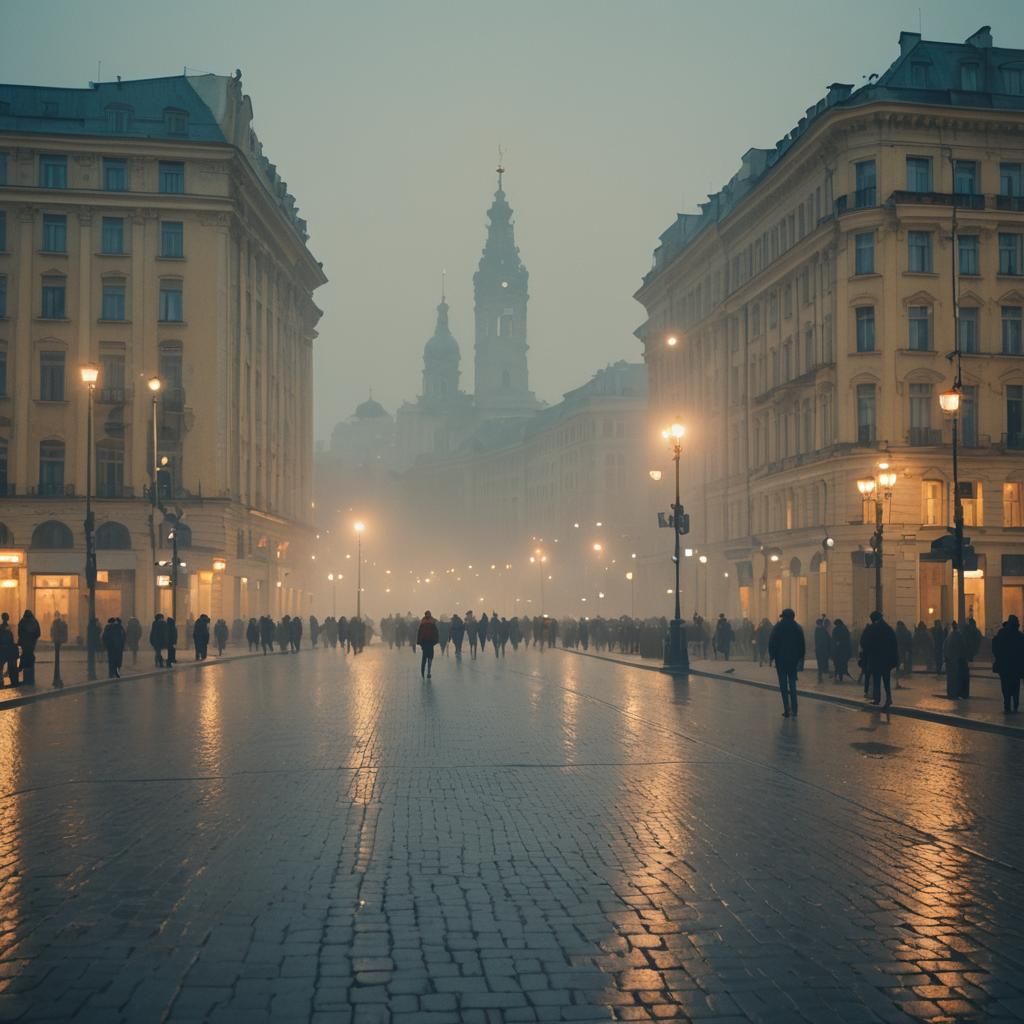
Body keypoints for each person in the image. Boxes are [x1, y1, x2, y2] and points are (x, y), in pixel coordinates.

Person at [768, 608, 805, 718]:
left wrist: (772, 656)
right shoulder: (798, 628)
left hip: (781, 660)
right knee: (792, 684)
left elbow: (772, 643)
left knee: (783, 685)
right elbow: (801, 646)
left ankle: (786, 709)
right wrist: (800, 659)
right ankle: (795, 709)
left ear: (783, 617)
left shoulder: (778, 627)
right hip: (793, 660)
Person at [860, 611, 899, 708]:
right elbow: (894, 644)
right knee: (886, 680)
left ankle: (877, 698)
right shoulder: (888, 629)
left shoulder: (871, 629)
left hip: (875, 658)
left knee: (877, 679)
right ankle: (888, 698)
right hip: (887, 659)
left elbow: (864, 642)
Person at [992, 615, 1024, 713]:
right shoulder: (1019, 635)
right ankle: (1015, 703)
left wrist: (998, 657)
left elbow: (995, 647)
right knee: (1015, 685)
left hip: (1004, 665)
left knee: (1005, 685)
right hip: (1016, 666)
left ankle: (1007, 704)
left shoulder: (1001, 634)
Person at [943, 622, 969, 699]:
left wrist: (946, 658)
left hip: (950, 661)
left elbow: (945, 648)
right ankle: (958, 693)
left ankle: (951, 693)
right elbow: (963, 649)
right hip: (958, 661)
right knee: (958, 678)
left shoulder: (949, 637)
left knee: (951, 679)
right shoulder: (959, 636)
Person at [17, 610, 41, 685]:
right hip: (31, 643)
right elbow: (38, 633)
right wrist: (33, 638)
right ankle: (30, 679)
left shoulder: (22, 621)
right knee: (30, 657)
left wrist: (23, 639)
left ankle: (23, 670)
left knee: (25, 655)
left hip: (24, 643)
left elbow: (19, 633)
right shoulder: (34, 621)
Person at [417, 611, 439, 679]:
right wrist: (436, 641)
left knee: (424, 657)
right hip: (430, 642)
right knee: (430, 657)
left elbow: (419, 632)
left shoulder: (422, 622)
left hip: (424, 642)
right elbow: (436, 632)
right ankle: (428, 671)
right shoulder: (433, 622)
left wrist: (419, 642)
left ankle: (423, 671)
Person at [0, 613, 17, 687]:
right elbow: (12, 638)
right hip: (9, 648)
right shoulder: (9, 627)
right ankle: (13, 681)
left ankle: (1, 680)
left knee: (1, 665)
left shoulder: (0, 627)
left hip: (2, 648)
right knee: (11, 665)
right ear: (8, 618)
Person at [813, 618, 831, 682]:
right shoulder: (822, 630)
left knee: (821, 663)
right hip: (822, 649)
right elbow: (827, 640)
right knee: (821, 663)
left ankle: (821, 676)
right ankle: (820, 676)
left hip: (819, 649)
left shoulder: (817, 630)